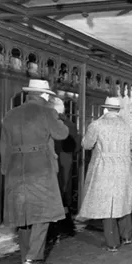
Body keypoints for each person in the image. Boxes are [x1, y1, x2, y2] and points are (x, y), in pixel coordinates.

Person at [0, 79, 70, 264]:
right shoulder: (47, 112)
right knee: (43, 212)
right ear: (45, 95)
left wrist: (6, 169)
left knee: (22, 213)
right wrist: (56, 115)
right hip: (39, 168)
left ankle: (25, 255)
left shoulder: (10, 114)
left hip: (15, 168)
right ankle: (34, 256)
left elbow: (3, 146)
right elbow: (62, 134)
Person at [78, 97, 132, 252]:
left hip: (103, 167)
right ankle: (126, 236)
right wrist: (129, 163)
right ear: (118, 110)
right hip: (124, 168)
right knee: (124, 201)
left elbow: (86, 145)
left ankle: (112, 243)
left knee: (107, 205)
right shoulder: (129, 125)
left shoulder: (97, 124)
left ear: (104, 109)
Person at [49, 96, 80, 238]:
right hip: (66, 160)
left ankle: (53, 228)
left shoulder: (49, 122)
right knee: (64, 191)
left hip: (51, 160)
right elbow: (77, 145)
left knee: (53, 192)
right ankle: (67, 226)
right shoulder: (70, 124)